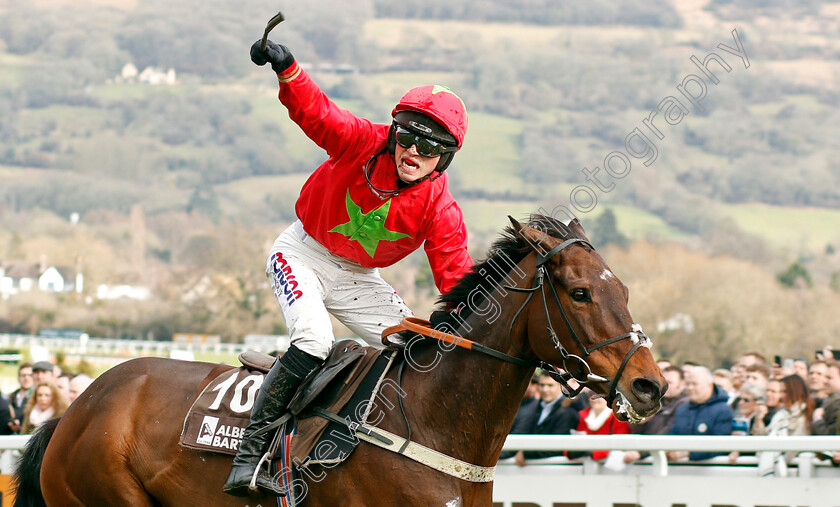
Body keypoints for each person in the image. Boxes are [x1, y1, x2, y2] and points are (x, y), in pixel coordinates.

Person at [225, 38, 473, 497]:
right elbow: (319, 114)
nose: (413, 152)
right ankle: (250, 452)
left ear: (446, 158)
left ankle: (358, 444)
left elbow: (458, 278)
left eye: (430, 146)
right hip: (302, 253)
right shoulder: (363, 141)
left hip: (360, 279)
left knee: (416, 350)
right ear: (395, 132)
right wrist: (288, 69)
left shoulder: (442, 208)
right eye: (408, 137)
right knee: (316, 340)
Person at [501, 372, 580, 465]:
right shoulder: (534, 407)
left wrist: (525, 454)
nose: (545, 389)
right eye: (542, 385)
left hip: (556, 468)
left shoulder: (568, 412)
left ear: (561, 386)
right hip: (532, 467)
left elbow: (558, 447)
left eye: (550, 386)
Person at [666, 366, 734, 462]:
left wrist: (688, 453)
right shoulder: (682, 409)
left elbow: (721, 445)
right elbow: (671, 435)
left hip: (711, 471)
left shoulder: (723, 410)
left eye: (694, 384)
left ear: (709, 385)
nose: (690, 388)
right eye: (688, 384)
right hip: (680, 469)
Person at [624, 365, 688, 464]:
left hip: (665, 461)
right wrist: (640, 422)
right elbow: (632, 429)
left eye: (670, 383)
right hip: (647, 456)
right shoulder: (654, 400)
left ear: (682, 384)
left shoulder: (685, 405)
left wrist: (640, 453)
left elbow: (668, 433)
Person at [567, 389, 630, 462]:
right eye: (591, 395)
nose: (594, 398)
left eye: (599, 395)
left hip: (608, 464)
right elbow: (577, 441)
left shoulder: (618, 418)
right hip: (585, 464)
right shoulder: (582, 416)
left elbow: (620, 445)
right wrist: (570, 452)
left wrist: (593, 453)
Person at [812, 362, 840, 435]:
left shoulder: (837, 405)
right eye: (825, 377)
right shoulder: (828, 401)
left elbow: (831, 437)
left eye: (829, 378)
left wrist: (817, 420)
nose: (824, 381)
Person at [8, 362, 33, 434]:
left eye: (30, 375)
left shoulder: (37, 397)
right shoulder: (11, 397)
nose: (26, 378)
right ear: (19, 378)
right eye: (23, 375)